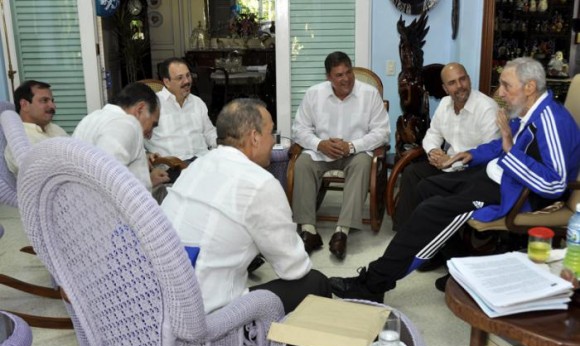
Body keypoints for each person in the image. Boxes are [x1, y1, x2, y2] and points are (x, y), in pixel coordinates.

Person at [330, 57, 580, 301]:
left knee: (431, 210)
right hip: (496, 174)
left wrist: (509, 149)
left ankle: (374, 283)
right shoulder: (527, 112)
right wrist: (469, 154)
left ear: (530, 87)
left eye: (506, 85)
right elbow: (497, 145)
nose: (500, 93)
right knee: (426, 186)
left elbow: (555, 184)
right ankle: (454, 264)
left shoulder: (551, 121)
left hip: (512, 193)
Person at [161, 98, 331, 314]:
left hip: (164, 303)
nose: (273, 141)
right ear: (255, 137)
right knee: (316, 283)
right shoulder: (260, 183)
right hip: (209, 318)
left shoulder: (194, 167)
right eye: (271, 133)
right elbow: (293, 267)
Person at [291, 51, 390, 260]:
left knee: (364, 163)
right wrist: (320, 144)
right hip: (321, 153)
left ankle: (342, 231)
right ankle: (309, 230)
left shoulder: (369, 94)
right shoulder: (314, 94)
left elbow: (382, 132)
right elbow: (299, 129)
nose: (346, 79)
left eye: (348, 72)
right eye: (339, 75)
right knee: (302, 164)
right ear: (328, 77)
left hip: (355, 153)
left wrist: (352, 146)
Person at [393, 62, 500, 231]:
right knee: (411, 173)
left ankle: (428, 232)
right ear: (445, 88)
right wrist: (434, 152)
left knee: (427, 186)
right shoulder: (444, 104)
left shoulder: (487, 108)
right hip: (447, 166)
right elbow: (433, 134)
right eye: (452, 83)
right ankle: (404, 231)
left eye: (462, 79)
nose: (459, 86)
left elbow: (491, 152)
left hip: (473, 171)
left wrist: (450, 161)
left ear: (469, 79)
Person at [73, 82, 169, 192]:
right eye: (152, 125)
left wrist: (148, 179)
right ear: (140, 110)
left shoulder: (91, 118)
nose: (150, 135)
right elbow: (108, 180)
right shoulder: (126, 124)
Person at [145, 57, 217, 174]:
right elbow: (136, 138)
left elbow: (209, 132)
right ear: (167, 82)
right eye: (180, 78)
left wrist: (223, 146)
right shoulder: (153, 105)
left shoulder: (197, 102)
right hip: (172, 166)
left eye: (188, 76)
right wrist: (145, 154)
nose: (187, 81)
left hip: (202, 161)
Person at [4, 80, 68, 174]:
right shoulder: (19, 143)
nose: (53, 106)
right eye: (44, 100)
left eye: (52, 101)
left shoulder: (54, 129)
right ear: (24, 105)